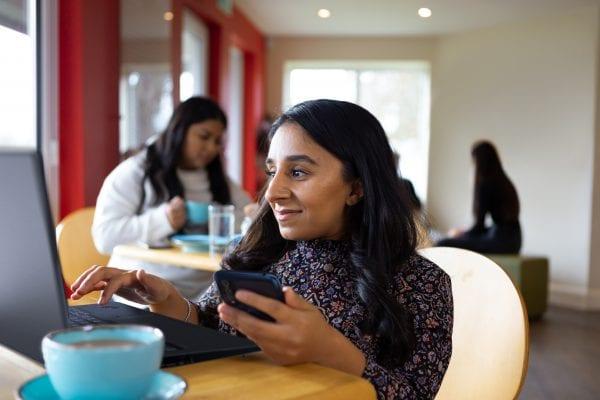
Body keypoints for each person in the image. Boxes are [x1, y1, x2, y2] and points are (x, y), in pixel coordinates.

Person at [73, 99, 453, 399]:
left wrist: (328, 349)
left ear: (356, 187)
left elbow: (416, 393)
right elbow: (212, 326)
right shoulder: (261, 252)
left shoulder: (422, 283)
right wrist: (170, 302)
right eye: (272, 171)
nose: (272, 192)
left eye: (298, 172)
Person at [92, 96, 251, 299]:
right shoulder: (136, 172)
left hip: (204, 294)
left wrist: (218, 219)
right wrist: (163, 220)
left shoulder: (217, 178)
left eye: (217, 141)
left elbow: (249, 217)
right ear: (179, 131)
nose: (212, 148)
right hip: (142, 292)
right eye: (204, 136)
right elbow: (104, 237)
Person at [437, 140, 521, 254]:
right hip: (515, 239)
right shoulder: (504, 181)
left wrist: (460, 235)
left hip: (501, 241)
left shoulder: (486, 184)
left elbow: (478, 227)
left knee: (443, 243)